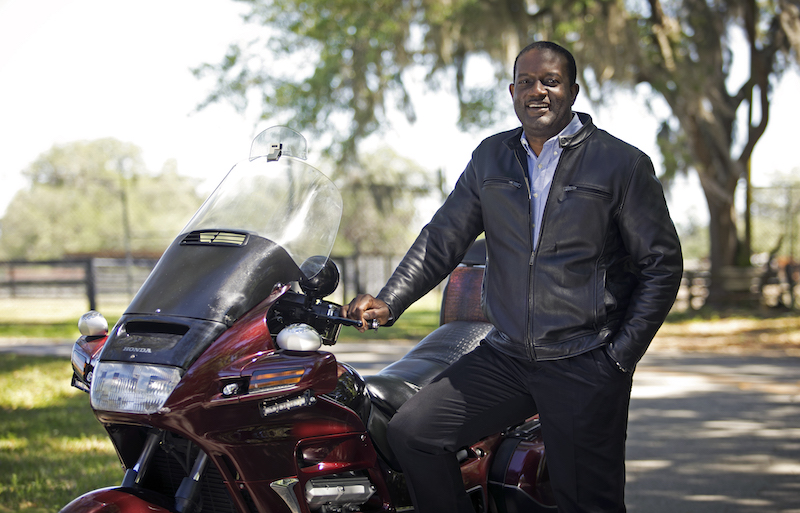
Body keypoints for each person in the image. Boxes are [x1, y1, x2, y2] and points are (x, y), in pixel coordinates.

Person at [342, 41, 683, 513]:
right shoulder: (491, 157)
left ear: (574, 91)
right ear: (512, 90)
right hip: (505, 356)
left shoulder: (622, 164)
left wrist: (619, 358)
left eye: (551, 81)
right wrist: (390, 298)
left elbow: (662, 265)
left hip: (583, 359)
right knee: (413, 433)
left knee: (586, 501)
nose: (537, 91)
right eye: (526, 82)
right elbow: (442, 237)